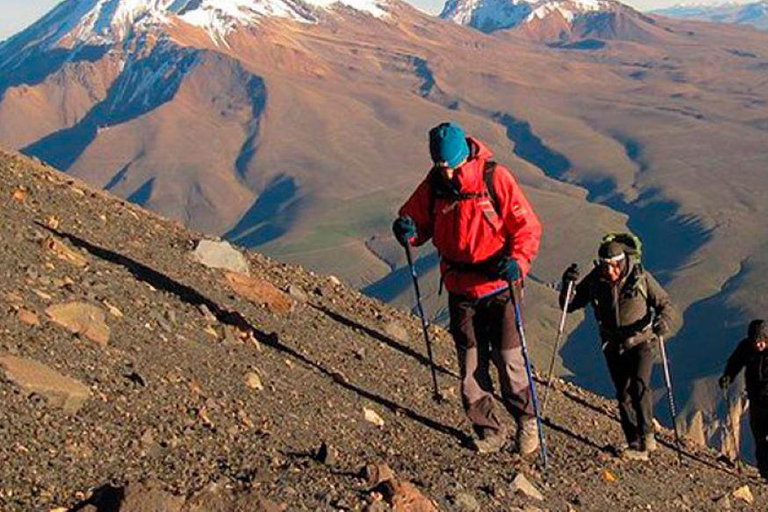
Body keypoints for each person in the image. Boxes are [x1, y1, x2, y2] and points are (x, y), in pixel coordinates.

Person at [392, 122, 542, 455]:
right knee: (471, 365)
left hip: (500, 283)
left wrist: (518, 260)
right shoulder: (434, 184)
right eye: (440, 166)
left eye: (450, 166)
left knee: (509, 360)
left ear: (463, 157)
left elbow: (527, 227)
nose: (446, 173)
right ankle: (489, 429)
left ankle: (527, 421)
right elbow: (416, 223)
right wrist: (406, 230)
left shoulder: (494, 177)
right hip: (460, 286)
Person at [560, 240, 676, 460]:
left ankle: (647, 437)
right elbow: (570, 305)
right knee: (623, 394)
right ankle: (634, 442)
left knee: (639, 387)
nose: (609, 271)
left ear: (622, 262)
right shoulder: (595, 280)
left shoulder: (640, 277)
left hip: (641, 342)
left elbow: (664, 304)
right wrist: (568, 284)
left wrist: (663, 323)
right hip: (613, 345)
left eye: (613, 265)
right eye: (605, 265)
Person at [719, 319, 768, 479]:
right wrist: (728, 376)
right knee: (759, 436)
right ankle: (764, 472)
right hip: (755, 398)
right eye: (755, 342)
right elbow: (735, 362)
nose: (758, 345)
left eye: (761, 342)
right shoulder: (746, 347)